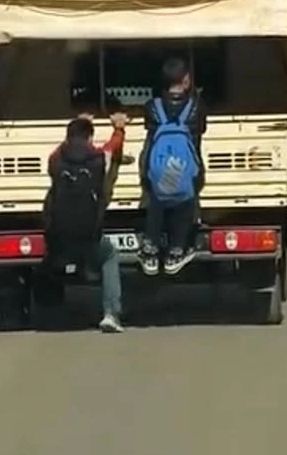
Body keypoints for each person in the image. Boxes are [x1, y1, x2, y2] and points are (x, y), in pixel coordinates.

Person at [43, 112, 128, 333]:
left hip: (58, 236)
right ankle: (111, 314)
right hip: (88, 235)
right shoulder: (98, 159)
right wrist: (119, 128)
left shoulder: (55, 160)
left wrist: (81, 123)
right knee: (109, 255)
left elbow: (60, 150)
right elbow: (113, 147)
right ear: (90, 138)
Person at [138, 57, 207, 276]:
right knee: (185, 202)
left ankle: (150, 248)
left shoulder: (152, 107)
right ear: (186, 80)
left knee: (157, 199)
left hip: (157, 167)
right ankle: (176, 250)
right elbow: (200, 131)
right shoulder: (196, 106)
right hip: (187, 167)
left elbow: (150, 135)